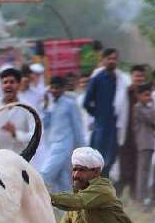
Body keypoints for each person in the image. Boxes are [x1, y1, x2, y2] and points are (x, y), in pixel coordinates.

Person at [84, 48, 129, 177]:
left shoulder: (121, 80)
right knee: (98, 157)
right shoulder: (97, 79)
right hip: (101, 125)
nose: (111, 61)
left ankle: (104, 183)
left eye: (114, 59)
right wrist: (98, 114)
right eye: (109, 58)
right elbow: (86, 102)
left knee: (111, 157)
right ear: (103, 60)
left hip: (115, 124)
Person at [39, 76, 85, 196]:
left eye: (57, 88)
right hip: (51, 145)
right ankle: (67, 207)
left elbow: (78, 127)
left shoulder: (70, 104)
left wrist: (82, 149)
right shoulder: (50, 104)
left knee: (44, 174)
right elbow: (45, 124)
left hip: (64, 146)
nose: (54, 90)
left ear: (63, 89)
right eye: (52, 88)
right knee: (62, 181)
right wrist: (45, 106)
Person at [114, 65, 148, 200]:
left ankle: (136, 197)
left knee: (138, 167)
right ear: (131, 77)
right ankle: (117, 195)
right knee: (124, 167)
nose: (139, 79)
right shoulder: (125, 93)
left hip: (141, 136)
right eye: (136, 76)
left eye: (141, 76)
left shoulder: (146, 94)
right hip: (126, 135)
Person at [132, 83, 155, 208]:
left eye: (149, 95)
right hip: (142, 142)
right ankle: (140, 198)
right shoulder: (137, 108)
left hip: (150, 143)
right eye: (146, 95)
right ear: (139, 96)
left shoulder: (151, 109)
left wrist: (153, 109)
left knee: (147, 171)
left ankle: (145, 197)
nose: (148, 98)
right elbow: (149, 120)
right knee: (142, 171)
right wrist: (153, 109)